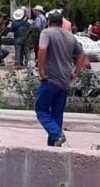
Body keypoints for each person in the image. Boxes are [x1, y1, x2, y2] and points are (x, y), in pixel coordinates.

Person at [36, 9, 87, 147]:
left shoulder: (46, 33)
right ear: (61, 23)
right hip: (64, 82)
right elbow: (82, 54)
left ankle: (57, 135)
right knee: (57, 115)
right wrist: (75, 73)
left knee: (41, 110)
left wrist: (41, 69)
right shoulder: (70, 36)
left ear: (49, 22)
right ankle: (53, 147)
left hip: (50, 79)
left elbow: (42, 48)